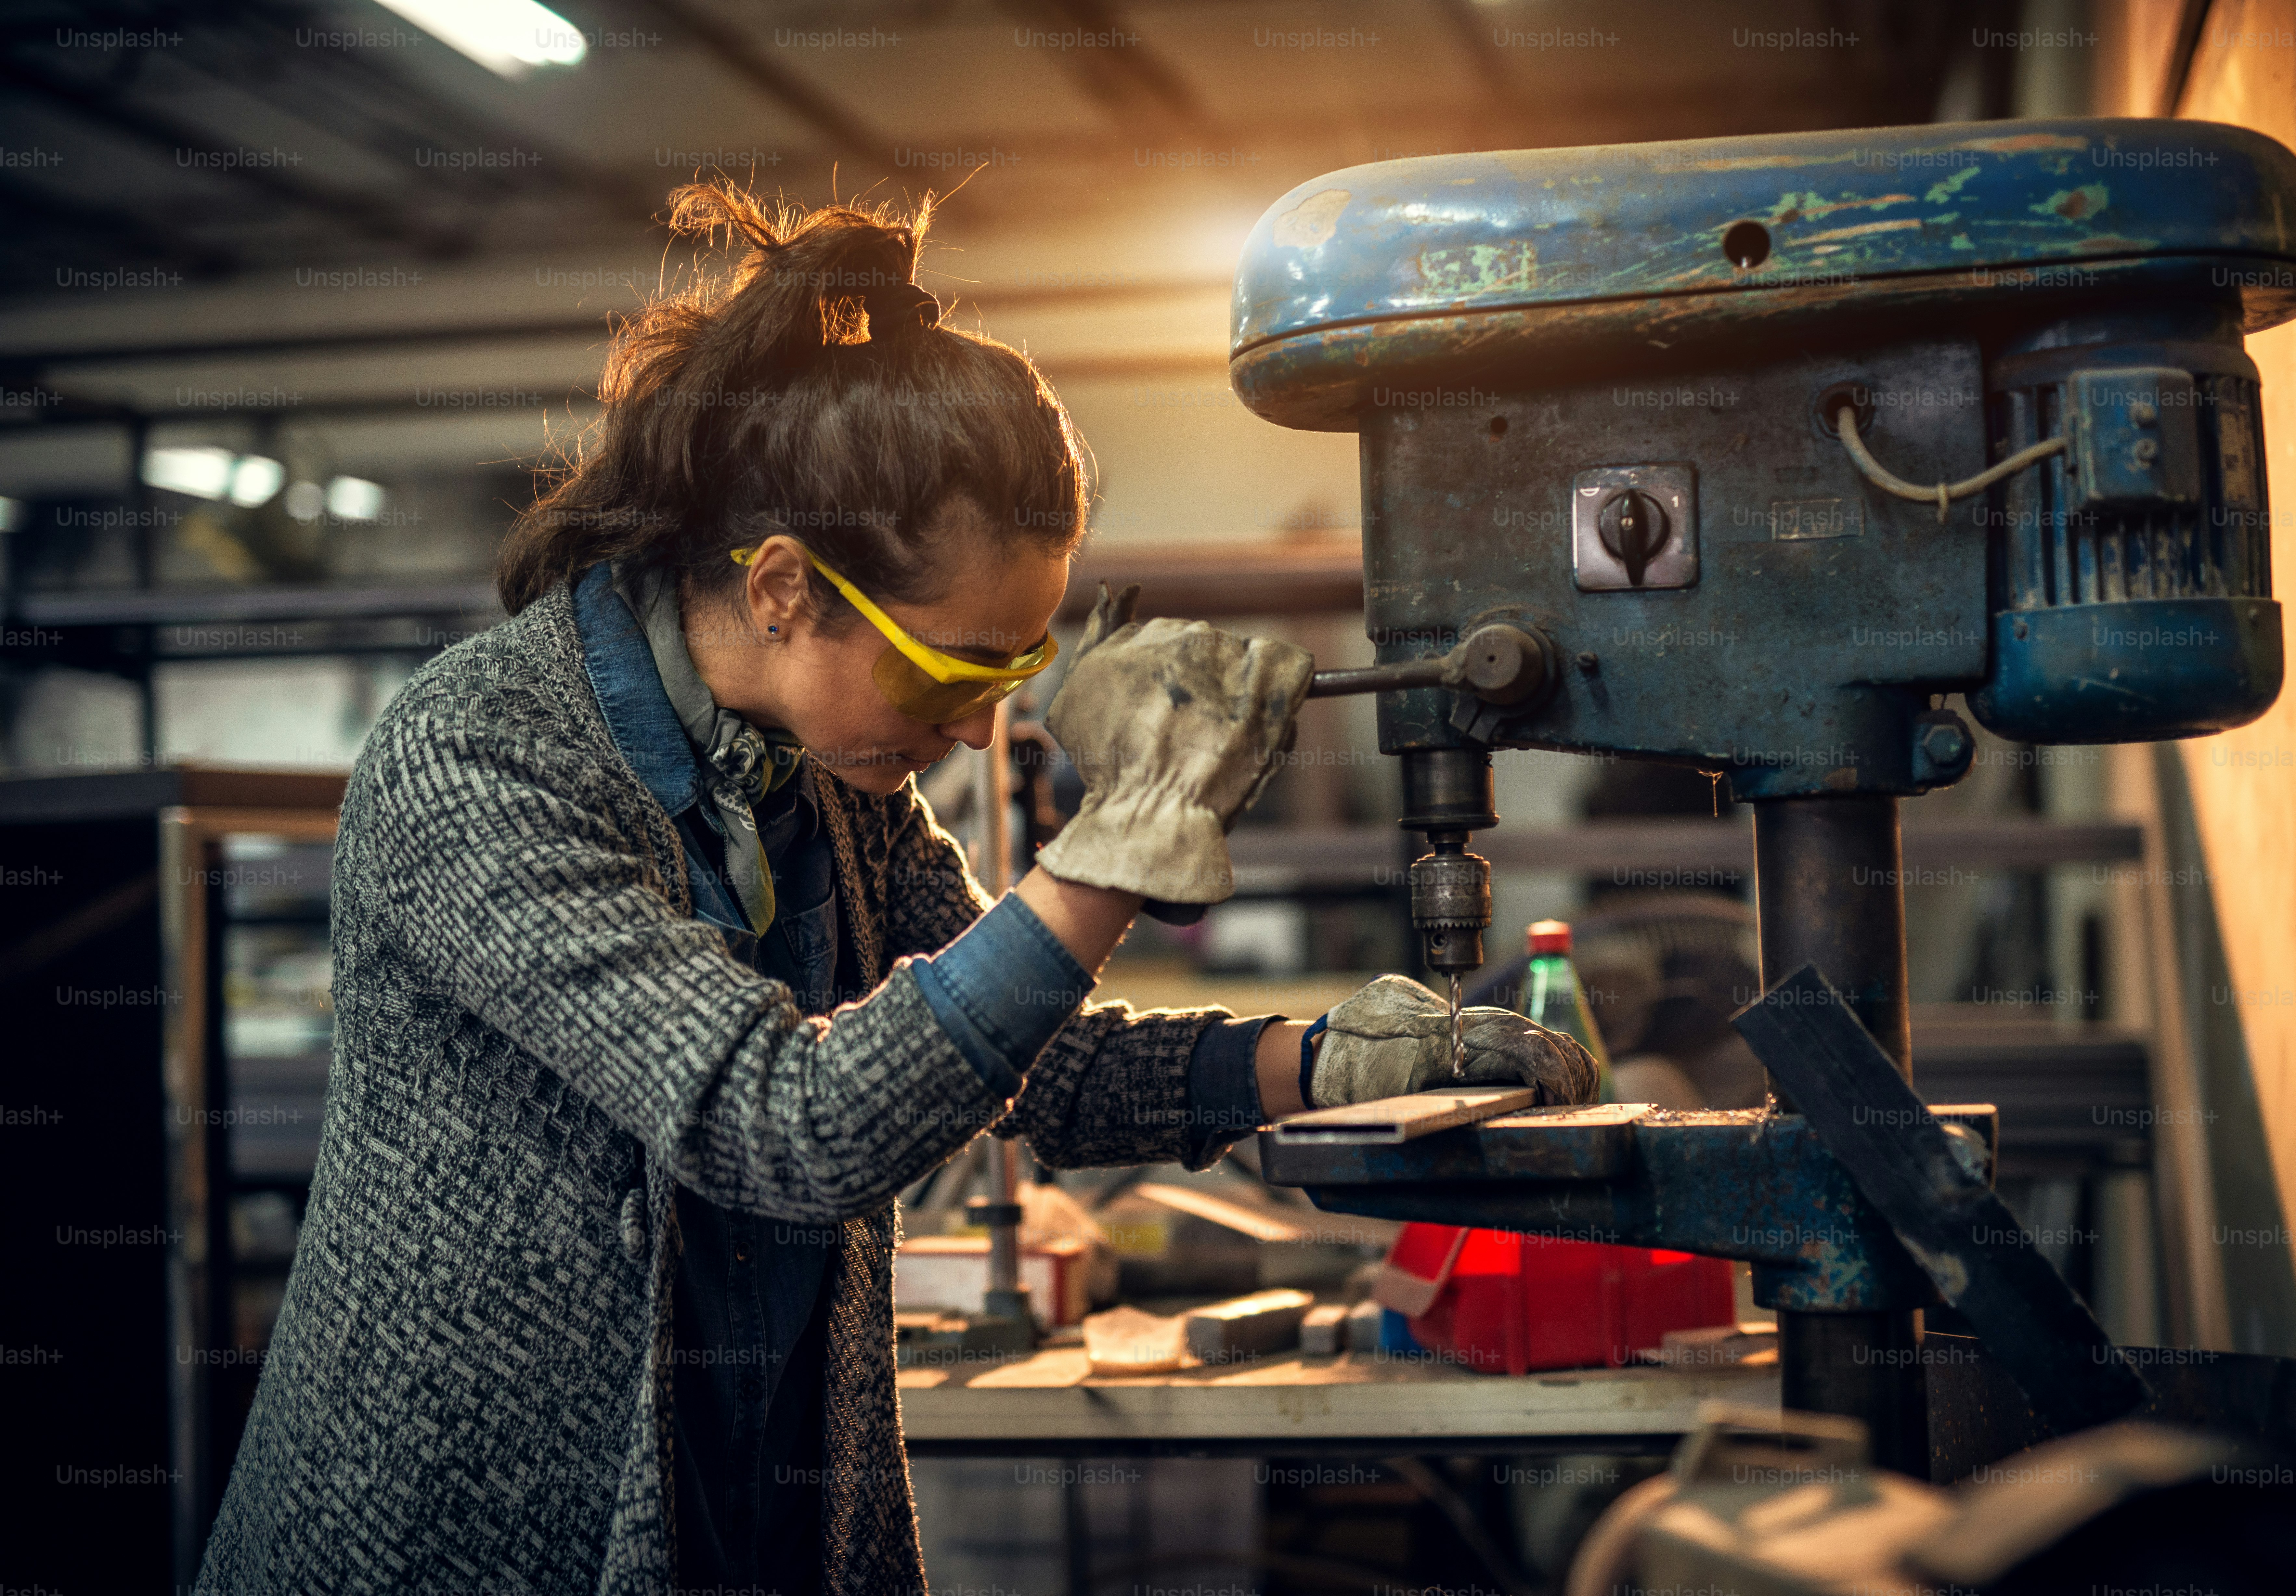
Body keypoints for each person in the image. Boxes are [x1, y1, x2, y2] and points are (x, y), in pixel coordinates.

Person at [196, 183, 1596, 1595]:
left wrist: (1315, 1063)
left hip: (746, 1506)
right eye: (955, 671)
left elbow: (1030, 1067)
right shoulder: (480, 758)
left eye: (1015, 672)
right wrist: (1115, 854)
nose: (983, 728)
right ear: (787, 588)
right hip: (456, 1541)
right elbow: (780, 1127)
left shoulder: (822, 780)